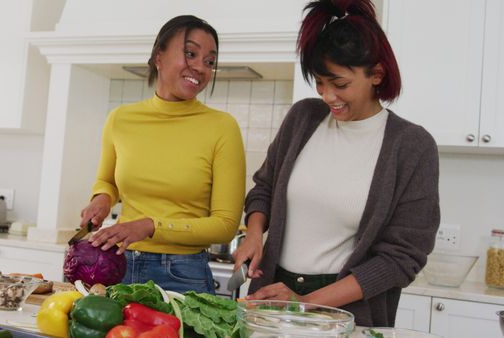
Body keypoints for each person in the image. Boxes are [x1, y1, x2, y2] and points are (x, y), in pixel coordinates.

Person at [231, 0, 440, 327]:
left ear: (376, 74)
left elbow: (401, 258)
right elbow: (265, 188)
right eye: (320, 82)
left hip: (345, 311)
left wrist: (304, 303)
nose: (328, 96)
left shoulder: (411, 146)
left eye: (340, 84)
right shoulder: (303, 118)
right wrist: (255, 233)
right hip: (272, 299)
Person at [80, 15, 246, 294]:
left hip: (183, 275)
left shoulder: (222, 127)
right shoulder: (120, 119)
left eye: (209, 61)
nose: (201, 68)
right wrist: (102, 199)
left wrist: (150, 226)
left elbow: (226, 225)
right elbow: (107, 181)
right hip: (117, 265)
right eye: (190, 54)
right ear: (159, 56)